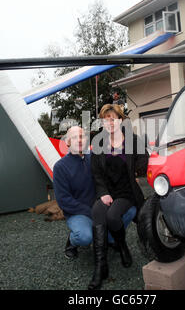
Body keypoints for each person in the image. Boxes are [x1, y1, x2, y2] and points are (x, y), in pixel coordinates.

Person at [88, 104, 149, 290]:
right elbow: (96, 173)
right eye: (106, 120)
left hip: (126, 190)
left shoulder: (132, 140)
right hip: (108, 190)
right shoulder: (98, 143)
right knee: (97, 211)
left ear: (121, 120)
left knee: (113, 217)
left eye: (113, 118)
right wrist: (103, 193)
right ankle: (101, 266)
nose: (110, 123)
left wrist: (137, 174)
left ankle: (122, 246)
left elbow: (144, 160)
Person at [53, 125, 136, 260]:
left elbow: (111, 175)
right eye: (74, 137)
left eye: (81, 136)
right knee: (85, 237)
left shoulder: (94, 158)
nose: (79, 140)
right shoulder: (60, 167)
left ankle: (109, 239)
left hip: (100, 206)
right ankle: (72, 242)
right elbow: (63, 201)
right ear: (67, 142)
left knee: (130, 210)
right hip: (78, 212)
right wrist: (90, 212)